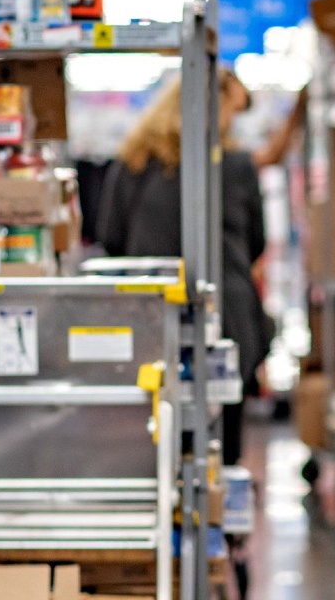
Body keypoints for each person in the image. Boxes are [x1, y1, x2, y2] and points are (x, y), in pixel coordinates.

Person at [97, 68, 270, 467]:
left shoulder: (132, 163)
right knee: (221, 437)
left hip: (151, 312)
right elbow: (256, 241)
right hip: (225, 314)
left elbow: (111, 236)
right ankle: (215, 515)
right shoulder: (235, 167)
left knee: (152, 428)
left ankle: (167, 513)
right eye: (231, 110)